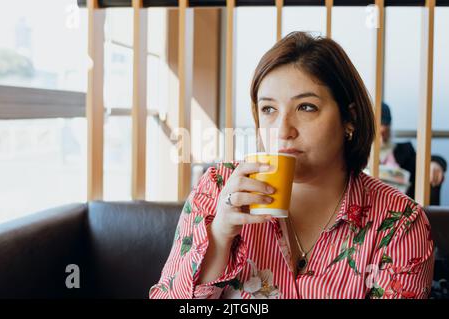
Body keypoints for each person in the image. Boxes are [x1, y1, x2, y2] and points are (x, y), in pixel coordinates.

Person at [149, 32, 434, 299]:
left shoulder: (399, 223)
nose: (282, 129)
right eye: (268, 109)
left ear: (350, 119)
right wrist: (220, 236)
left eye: (306, 107)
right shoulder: (217, 188)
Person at [380, 102, 447, 205]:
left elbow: (435, 158)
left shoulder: (404, 150)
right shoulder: (356, 154)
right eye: (379, 124)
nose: (383, 128)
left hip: (402, 211)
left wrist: (433, 164)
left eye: (386, 123)